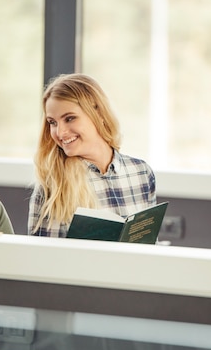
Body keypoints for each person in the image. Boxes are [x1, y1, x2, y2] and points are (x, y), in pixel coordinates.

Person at [28, 73, 156, 237]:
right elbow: (42, 258)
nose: (60, 132)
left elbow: (149, 245)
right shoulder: (52, 186)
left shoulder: (141, 173)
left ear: (99, 114)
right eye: (52, 122)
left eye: (69, 118)